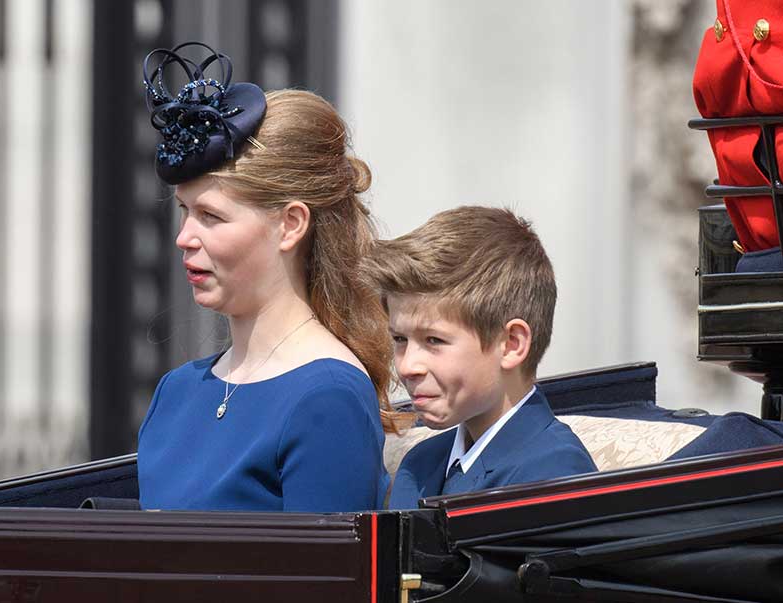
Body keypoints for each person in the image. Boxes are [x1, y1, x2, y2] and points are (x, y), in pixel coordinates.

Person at [136, 42, 400, 512]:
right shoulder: (176, 392)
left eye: (211, 216)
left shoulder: (326, 397)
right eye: (184, 211)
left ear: (291, 224)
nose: (184, 238)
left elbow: (325, 584)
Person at [362, 206, 597, 509]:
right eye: (400, 339)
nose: (407, 366)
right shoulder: (420, 464)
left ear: (511, 344)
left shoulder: (552, 476)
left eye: (434, 340)